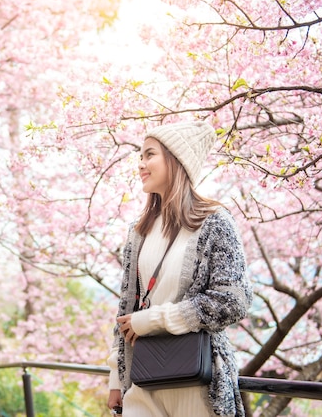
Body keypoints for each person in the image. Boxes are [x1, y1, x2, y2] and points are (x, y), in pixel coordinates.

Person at [106, 121, 253, 416]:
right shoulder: (139, 233)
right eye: (140, 157)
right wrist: (115, 376)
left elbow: (233, 301)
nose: (141, 165)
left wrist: (153, 320)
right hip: (143, 380)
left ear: (175, 160)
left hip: (197, 383)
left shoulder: (215, 223)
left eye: (149, 155)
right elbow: (126, 309)